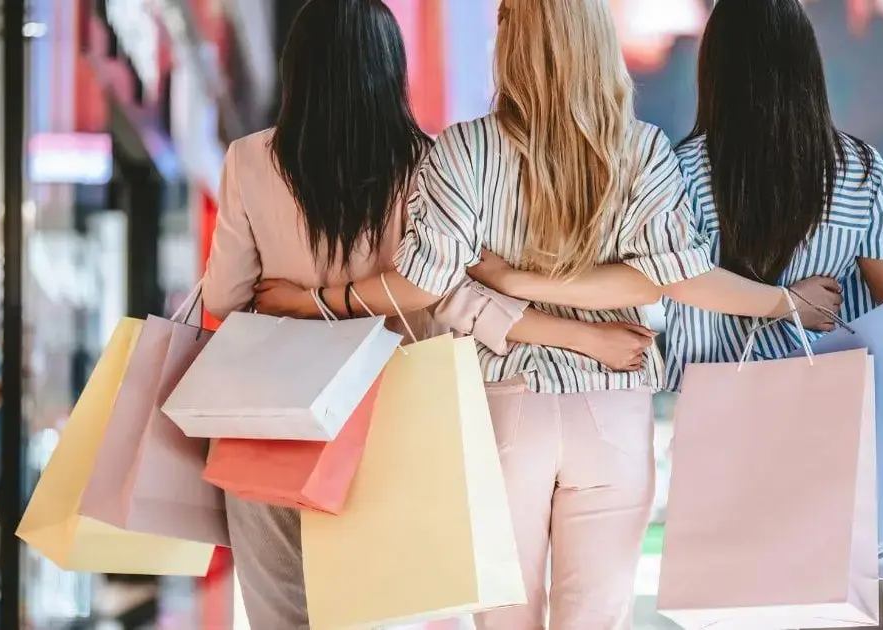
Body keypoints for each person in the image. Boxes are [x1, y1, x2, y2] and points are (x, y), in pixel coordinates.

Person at [253, 0, 843, 626]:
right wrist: (785, 302)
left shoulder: (464, 151)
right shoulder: (641, 151)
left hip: (502, 408)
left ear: (510, 43)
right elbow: (676, 276)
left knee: (502, 616)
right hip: (613, 410)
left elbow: (423, 287)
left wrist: (317, 299)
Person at [200, 1, 641, 626]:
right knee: (408, 603)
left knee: (284, 612)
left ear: (295, 67)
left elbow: (221, 299)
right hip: (400, 418)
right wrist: (576, 335)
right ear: (391, 67)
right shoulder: (430, 163)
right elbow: (457, 298)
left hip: (277, 419)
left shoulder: (249, 159)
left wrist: (297, 294)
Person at [465, 0, 883, 386]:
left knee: (722, 572)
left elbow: (652, 279)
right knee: (828, 575)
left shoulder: (677, 170)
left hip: (708, 411)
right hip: (832, 415)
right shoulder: (863, 172)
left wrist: (518, 282)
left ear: (714, 69)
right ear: (807, 68)